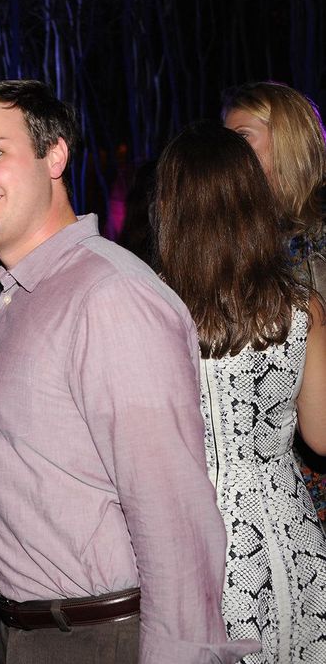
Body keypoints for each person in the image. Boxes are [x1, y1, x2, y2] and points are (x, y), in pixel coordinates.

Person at [0, 80, 258, 664]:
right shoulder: (16, 300)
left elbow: (173, 516)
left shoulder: (107, 295)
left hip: (100, 638)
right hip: (31, 634)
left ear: (55, 154)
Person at [155, 121, 326, 663]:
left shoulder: (149, 311)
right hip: (286, 536)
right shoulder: (301, 308)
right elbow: (322, 437)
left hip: (187, 544)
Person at [221, 81, 326, 524]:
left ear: (287, 141)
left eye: (242, 138)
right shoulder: (238, 244)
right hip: (279, 482)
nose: (227, 154)